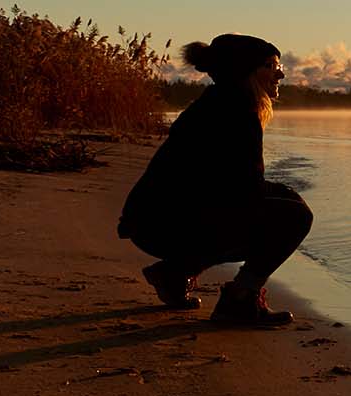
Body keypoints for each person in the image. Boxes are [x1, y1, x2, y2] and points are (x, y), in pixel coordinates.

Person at [118, 33, 307, 326]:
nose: (280, 73)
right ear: (246, 70)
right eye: (271, 65)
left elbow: (227, 186)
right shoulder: (237, 112)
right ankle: (240, 298)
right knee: (295, 216)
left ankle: (175, 273)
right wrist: (285, 198)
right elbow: (243, 189)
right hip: (165, 223)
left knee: (283, 204)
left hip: (154, 221)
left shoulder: (221, 103)